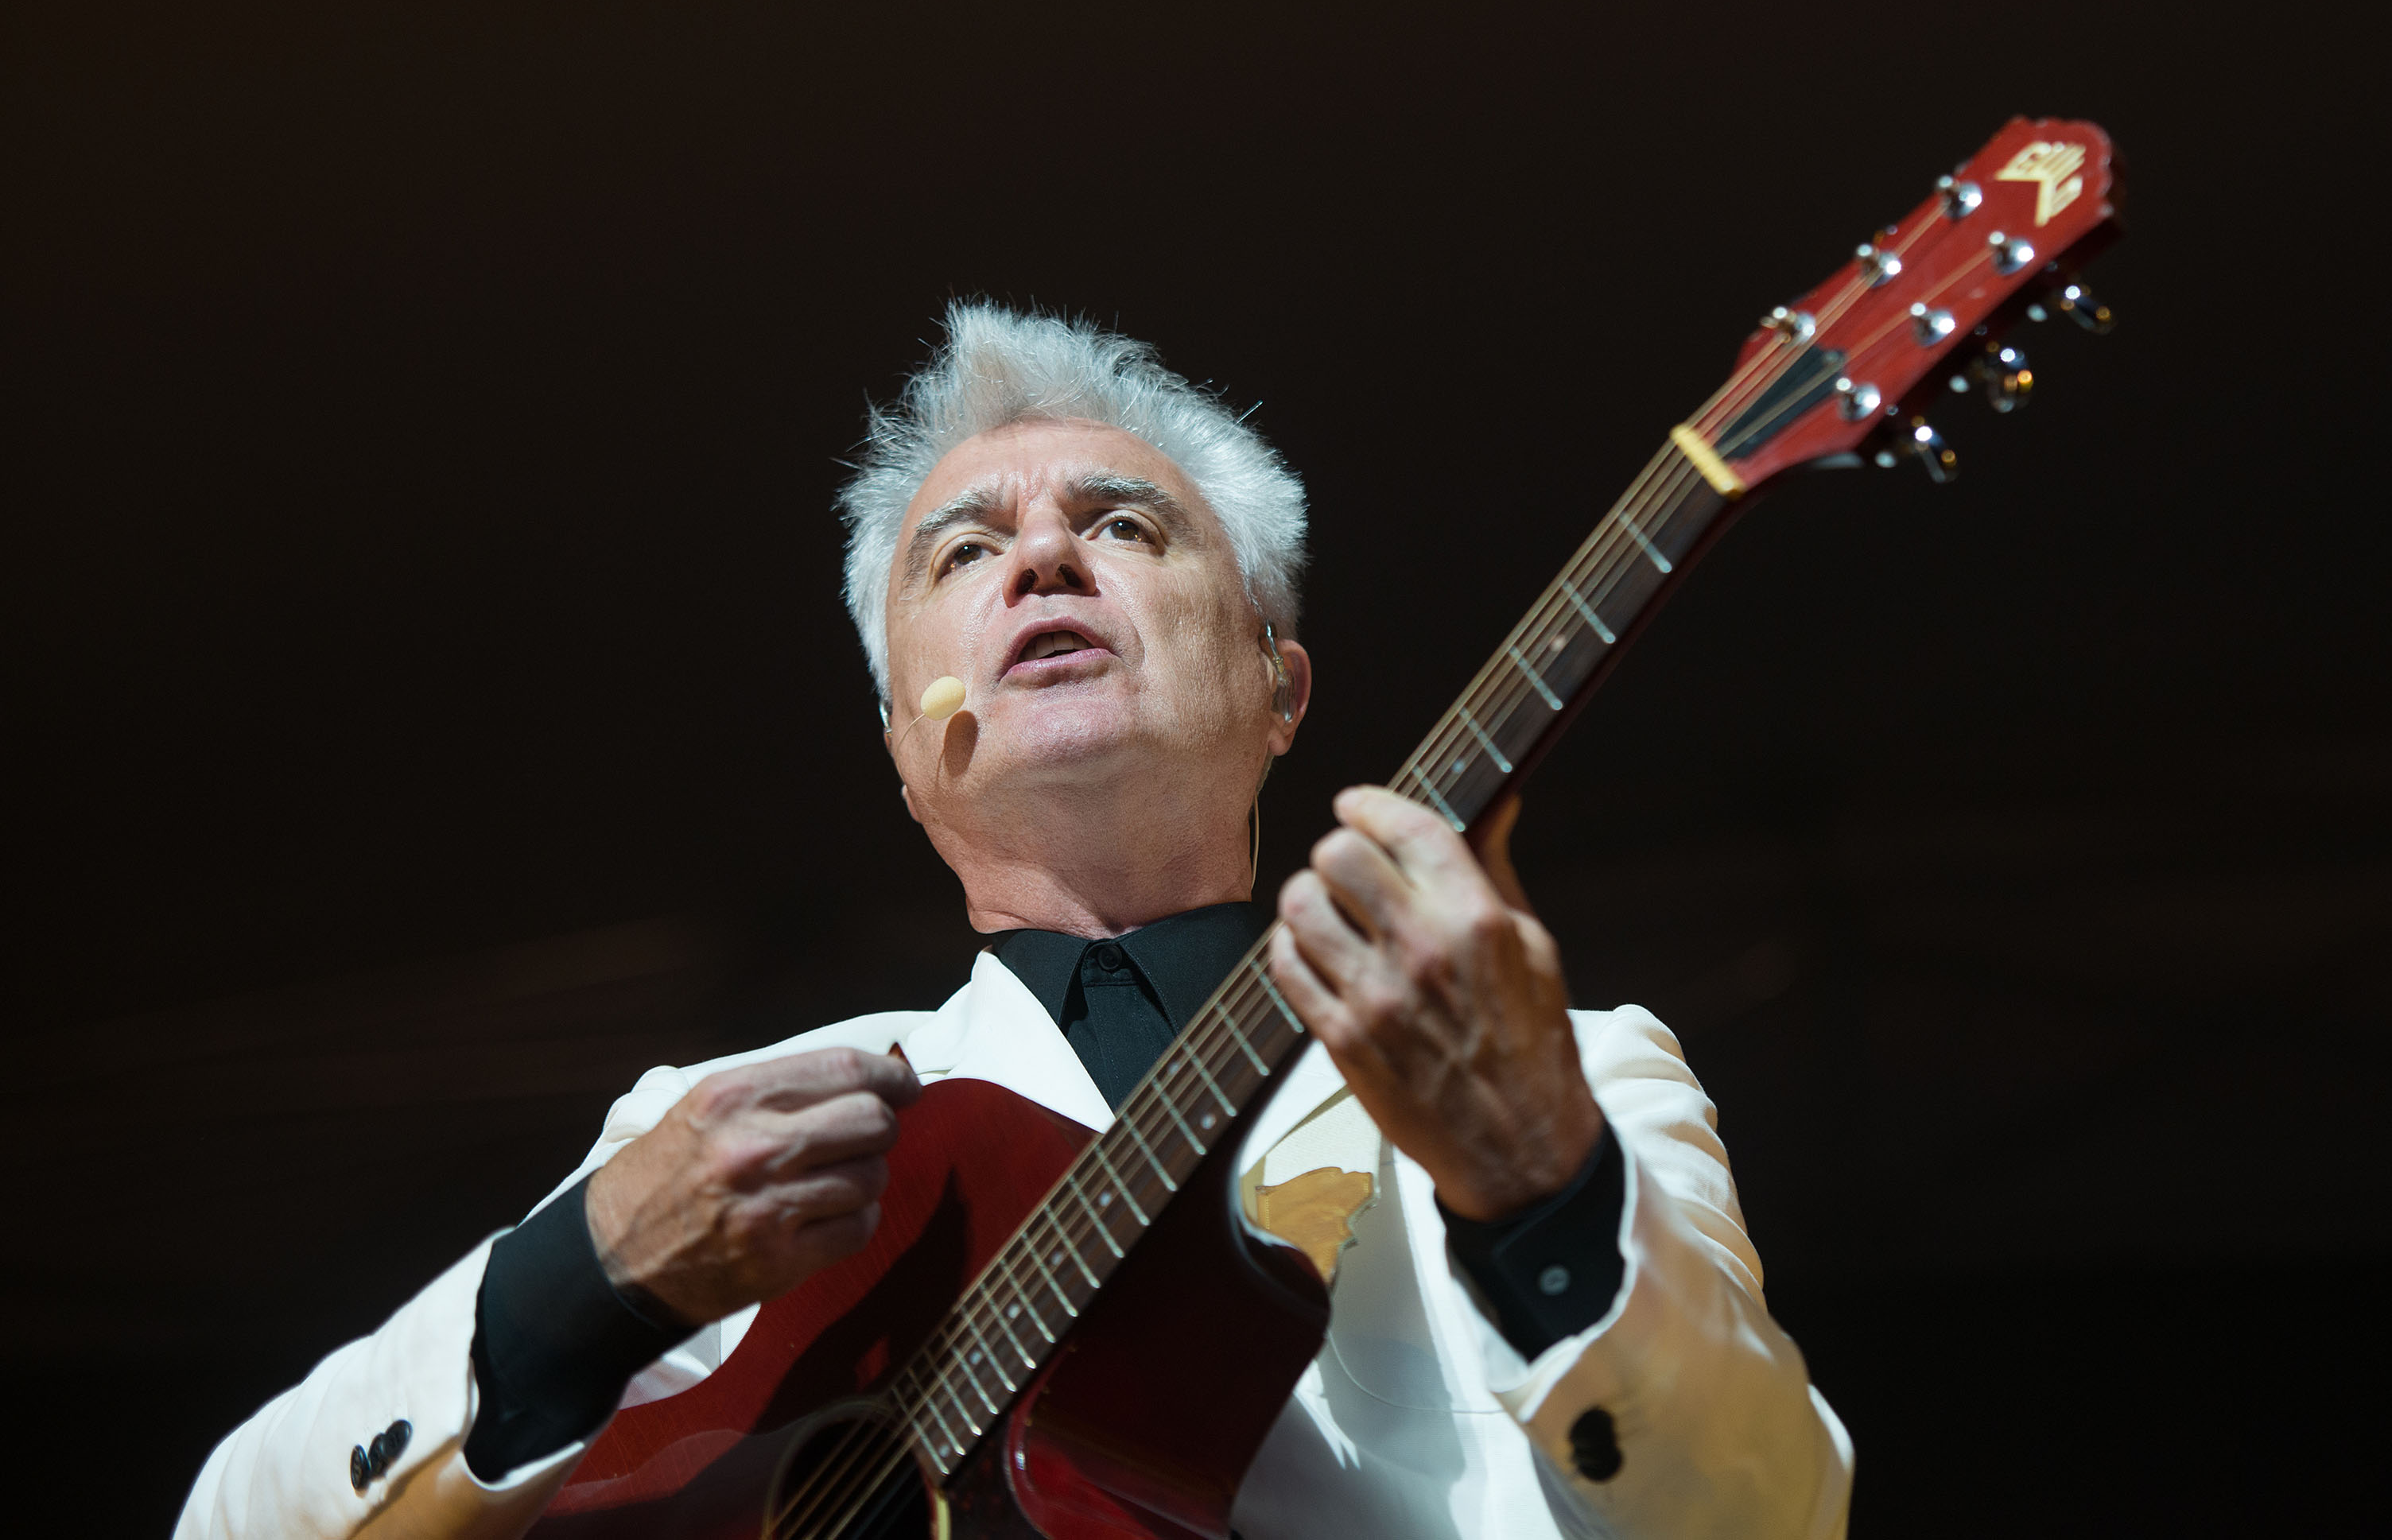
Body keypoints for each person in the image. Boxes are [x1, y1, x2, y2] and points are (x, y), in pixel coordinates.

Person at [177, 304, 1854, 1539]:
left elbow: (1771, 1511)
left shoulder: (1559, 1063)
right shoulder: (725, 1133)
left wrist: (1541, 1177)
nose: (1044, 553)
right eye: (962, 552)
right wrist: (582, 1279)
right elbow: (228, 1520)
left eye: (1123, 526)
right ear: (911, 740)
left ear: (1279, 685)